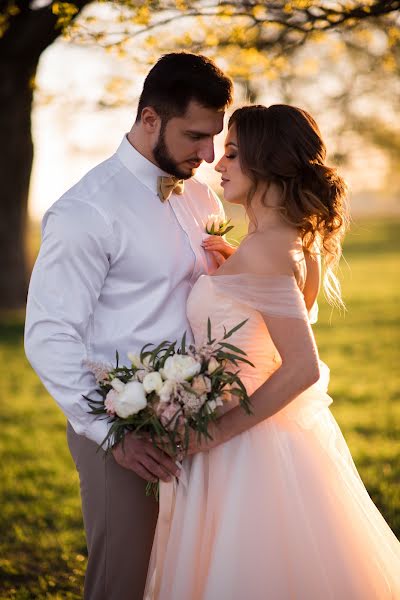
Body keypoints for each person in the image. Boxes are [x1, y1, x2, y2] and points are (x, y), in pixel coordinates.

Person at [143, 105, 400, 599]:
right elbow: (265, 330)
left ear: (269, 162)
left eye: (234, 153)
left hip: (243, 448)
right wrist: (236, 271)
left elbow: (301, 367)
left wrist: (211, 432)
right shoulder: (292, 245)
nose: (218, 163)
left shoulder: (268, 250)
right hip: (272, 439)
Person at [24, 52, 233, 599]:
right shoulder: (84, 212)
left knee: (191, 571)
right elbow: (49, 335)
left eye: (214, 138)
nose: (209, 155)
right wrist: (112, 435)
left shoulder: (199, 194)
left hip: (201, 421)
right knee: (125, 577)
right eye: (196, 136)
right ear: (149, 120)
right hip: (122, 427)